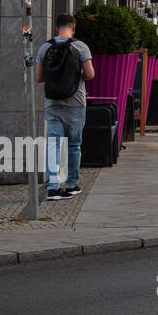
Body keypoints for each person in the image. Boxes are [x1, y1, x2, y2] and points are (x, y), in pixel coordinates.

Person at [34, 13, 95, 201]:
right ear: (73, 28)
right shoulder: (80, 46)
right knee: (74, 145)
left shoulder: (46, 47)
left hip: (53, 103)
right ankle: (70, 185)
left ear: (56, 28)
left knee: (53, 144)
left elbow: (38, 78)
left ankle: (52, 187)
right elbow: (90, 74)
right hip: (76, 103)